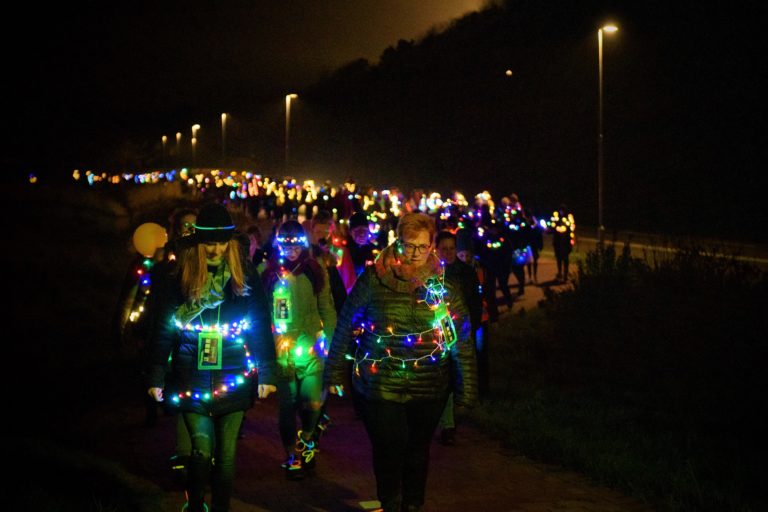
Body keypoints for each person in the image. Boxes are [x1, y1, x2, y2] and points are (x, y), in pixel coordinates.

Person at [324, 212, 478, 512]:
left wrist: (466, 388)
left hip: (429, 386)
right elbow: (345, 323)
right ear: (397, 242)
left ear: (431, 244)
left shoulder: (442, 286)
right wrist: (334, 374)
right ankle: (390, 501)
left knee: (418, 450)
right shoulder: (375, 279)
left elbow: (461, 336)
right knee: (388, 447)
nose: (416, 254)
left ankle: (413, 504)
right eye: (409, 246)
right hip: (381, 383)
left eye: (422, 247)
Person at [146, 202, 277, 512]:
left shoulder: (243, 275)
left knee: (227, 455)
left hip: (234, 376)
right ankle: (195, 505)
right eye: (209, 242)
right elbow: (162, 326)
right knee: (202, 451)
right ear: (199, 242)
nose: (216, 249)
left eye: (222, 242)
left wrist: (268, 372)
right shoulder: (179, 275)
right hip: (190, 375)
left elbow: (259, 320)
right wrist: (155, 374)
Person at [260, 220, 337, 480]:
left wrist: (334, 341)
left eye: (297, 244)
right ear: (278, 244)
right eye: (286, 243)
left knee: (312, 401)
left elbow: (327, 307)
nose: (292, 250)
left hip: (312, 347)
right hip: (281, 351)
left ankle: (307, 442)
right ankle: (292, 454)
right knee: (288, 405)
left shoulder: (316, 271)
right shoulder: (267, 273)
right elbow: (260, 314)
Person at [434, 231, 482, 446]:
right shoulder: (432, 273)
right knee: (441, 378)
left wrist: (471, 328)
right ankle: (444, 422)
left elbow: (474, 302)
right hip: (438, 333)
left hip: (459, 331)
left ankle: (450, 421)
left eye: (452, 248)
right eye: (443, 248)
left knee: (457, 377)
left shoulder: (466, 273)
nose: (448, 252)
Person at [550, 204, 576, 282]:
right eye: (560, 210)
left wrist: (570, 237)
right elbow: (553, 227)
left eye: (563, 210)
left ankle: (565, 274)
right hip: (558, 242)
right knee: (559, 258)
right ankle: (560, 273)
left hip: (565, 242)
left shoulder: (569, 218)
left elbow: (572, 227)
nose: (561, 212)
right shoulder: (556, 219)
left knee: (565, 259)